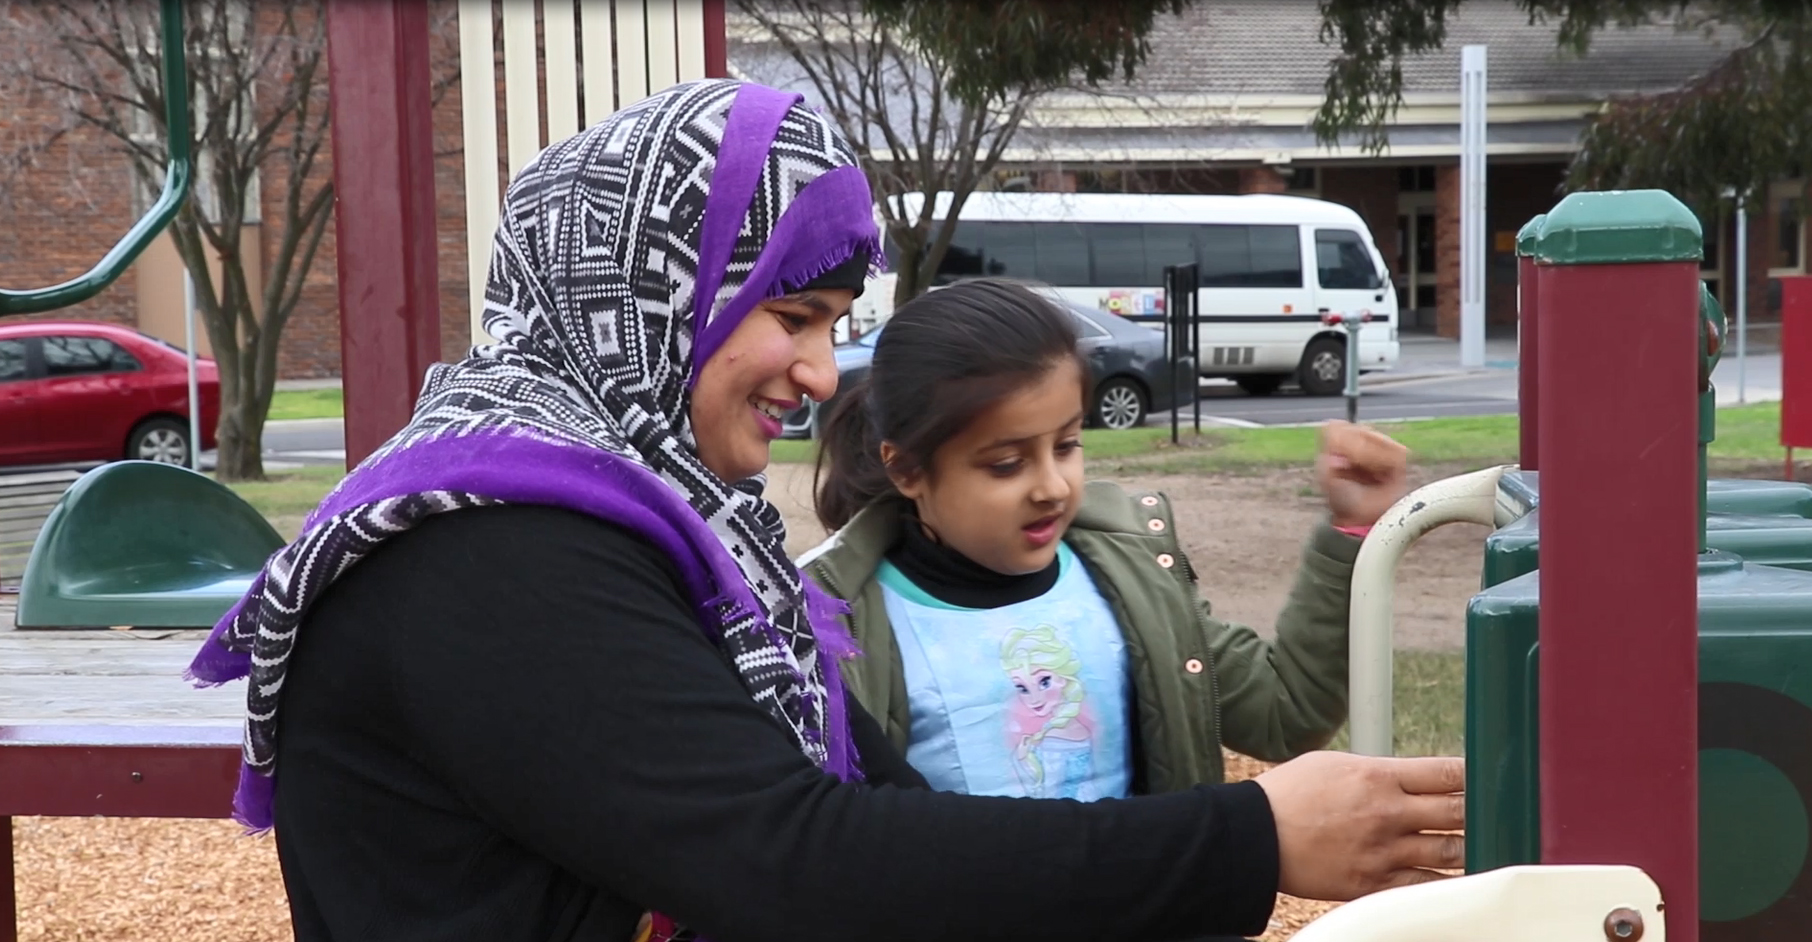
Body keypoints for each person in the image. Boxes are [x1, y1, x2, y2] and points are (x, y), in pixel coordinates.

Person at [185, 79, 1463, 942]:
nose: (815, 372)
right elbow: (787, 858)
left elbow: (878, 799)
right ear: (645, 294)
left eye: (834, 327)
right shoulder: (494, 552)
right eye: (792, 317)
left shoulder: (656, 521)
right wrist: (1242, 842)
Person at [804, 278, 1409, 804]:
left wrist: (1352, 534)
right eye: (1007, 464)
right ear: (908, 469)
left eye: (1067, 445)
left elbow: (1287, 713)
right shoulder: (834, 623)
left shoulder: (1131, 578)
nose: (1050, 486)